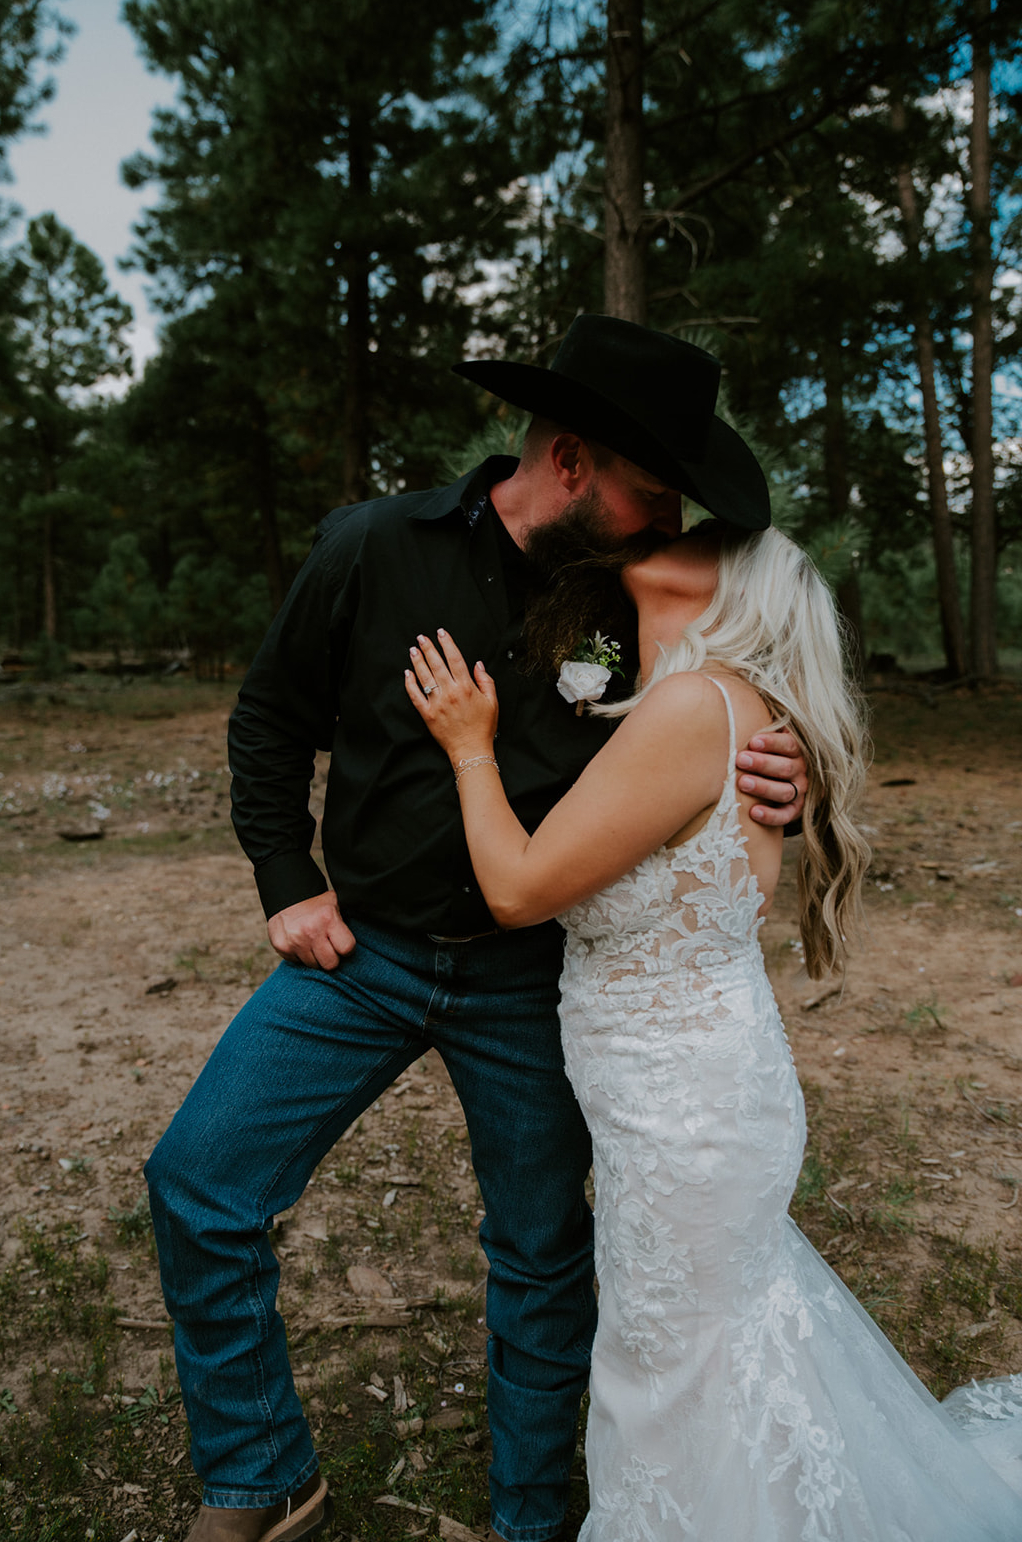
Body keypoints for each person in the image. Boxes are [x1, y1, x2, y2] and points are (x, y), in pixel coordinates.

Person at [143, 316, 809, 1542]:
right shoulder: (371, 546)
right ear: (568, 462)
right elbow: (269, 719)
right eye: (650, 496)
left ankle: (525, 1524)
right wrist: (288, 878)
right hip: (365, 957)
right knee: (198, 1180)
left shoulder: (637, 598)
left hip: (533, 979)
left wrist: (780, 779)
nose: (669, 526)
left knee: (542, 1257)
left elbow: (712, 728)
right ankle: (260, 1474)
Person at [404, 519, 1022, 1539]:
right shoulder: (675, 698)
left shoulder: (698, 706)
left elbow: (516, 888)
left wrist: (469, 746)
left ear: (737, 588)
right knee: (703, 1349)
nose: (662, 530)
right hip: (692, 1095)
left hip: (689, 1110)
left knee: (669, 1359)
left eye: (703, 536)